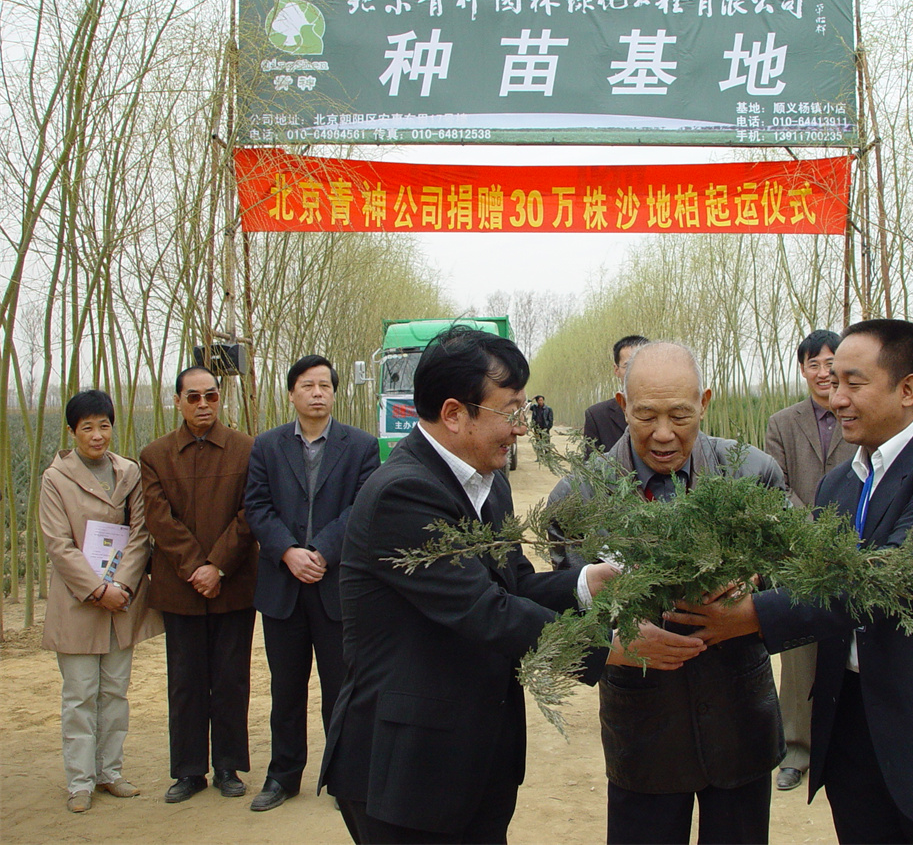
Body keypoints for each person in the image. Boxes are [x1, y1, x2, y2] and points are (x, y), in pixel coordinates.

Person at [669, 319, 913, 845]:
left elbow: (881, 581)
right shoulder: (840, 483)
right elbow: (809, 570)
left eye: (853, 383)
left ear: (908, 389)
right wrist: (740, 577)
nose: (836, 398)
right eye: (833, 382)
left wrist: (751, 616)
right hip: (853, 726)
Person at [319, 326, 614, 844]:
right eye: (511, 411)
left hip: (479, 755)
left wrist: (589, 582)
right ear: (455, 413)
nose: (520, 429)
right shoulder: (402, 493)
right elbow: (485, 610)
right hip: (408, 771)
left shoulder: (489, 482)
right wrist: (611, 651)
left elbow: (514, 583)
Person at [549, 341, 784, 845]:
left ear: (705, 402)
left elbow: (796, 574)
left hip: (740, 721)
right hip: (643, 730)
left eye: (679, 415)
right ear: (622, 406)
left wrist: (754, 588)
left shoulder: (753, 473)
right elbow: (567, 606)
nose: (662, 433)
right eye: (645, 415)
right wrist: (618, 635)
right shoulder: (579, 497)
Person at [244, 355, 380, 812]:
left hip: (336, 584)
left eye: (325, 385)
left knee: (341, 688)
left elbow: (362, 507)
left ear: (335, 393)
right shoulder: (266, 446)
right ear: (291, 394)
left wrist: (321, 551)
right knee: (286, 689)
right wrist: (288, 551)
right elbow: (257, 507)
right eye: (307, 385)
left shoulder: (361, 446)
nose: (317, 392)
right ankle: (282, 776)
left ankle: (344, 777)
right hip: (282, 588)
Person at [39, 389, 162, 813]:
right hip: (79, 602)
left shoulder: (129, 473)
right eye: (87, 427)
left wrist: (122, 586)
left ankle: (110, 771)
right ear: (72, 431)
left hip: (122, 601)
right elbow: (58, 544)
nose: (97, 435)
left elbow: (141, 533)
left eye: (104, 426)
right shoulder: (56, 479)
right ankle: (80, 781)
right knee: (80, 694)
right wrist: (98, 589)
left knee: (115, 692)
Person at [140, 367, 258, 803]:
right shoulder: (155, 455)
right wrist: (196, 568)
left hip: (234, 583)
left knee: (231, 678)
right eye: (193, 397)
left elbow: (250, 513)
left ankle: (228, 765)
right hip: (181, 587)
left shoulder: (247, 449)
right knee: (185, 681)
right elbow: (159, 519)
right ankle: (189, 771)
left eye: (211, 396)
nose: (203, 404)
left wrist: (218, 567)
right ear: (177, 401)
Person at [763, 329, 856, 793]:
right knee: (800, 656)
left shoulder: (858, 413)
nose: (823, 373)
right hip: (797, 553)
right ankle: (796, 750)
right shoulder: (782, 423)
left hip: (853, 550)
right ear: (802, 369)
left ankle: (843, 746)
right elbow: (775, 485)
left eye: (830, 363)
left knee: (852, 649)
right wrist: (811, 528)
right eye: (813, 364)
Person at [582, 335, 649, 456]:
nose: (636, 371)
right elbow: (592, 464)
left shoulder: (674, 412)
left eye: (644, 364)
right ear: (616, 370)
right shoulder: (597, 416)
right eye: (628, 365)